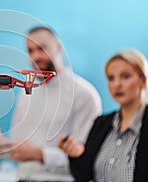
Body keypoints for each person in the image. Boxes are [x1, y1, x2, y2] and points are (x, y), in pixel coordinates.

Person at [9, 26, 102, 180]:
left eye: (42, 48)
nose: (36, 56)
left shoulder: (83, 94)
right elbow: (16, 140)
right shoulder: (25, 94)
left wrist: (40, 155)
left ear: (59, 47)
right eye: (30, 51)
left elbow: (86, 156)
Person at [58, 49, 148, 182]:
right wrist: (76, 155)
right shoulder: (101, 124)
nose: (117, 84)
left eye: (125, 76)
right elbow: (84, 176)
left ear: (143, 80)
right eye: (111, 78)